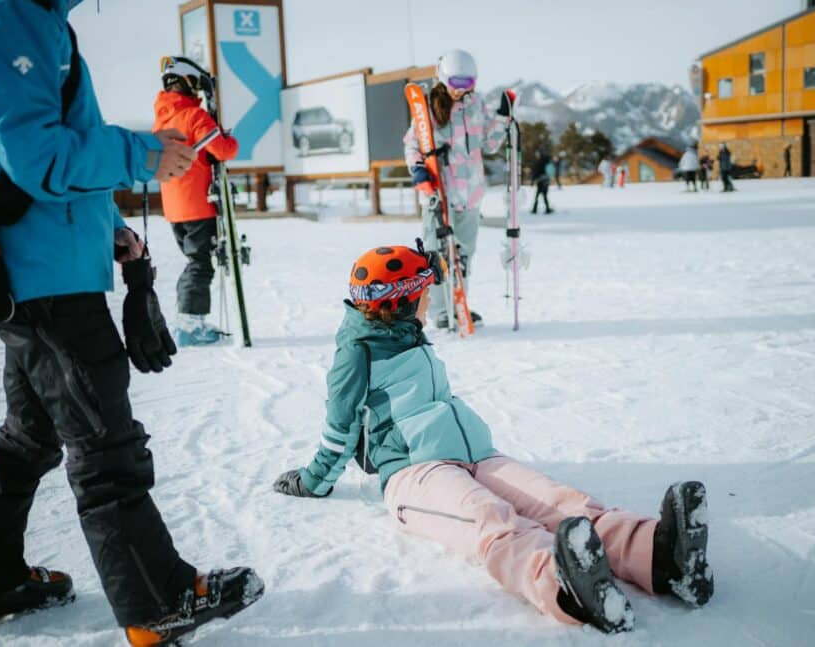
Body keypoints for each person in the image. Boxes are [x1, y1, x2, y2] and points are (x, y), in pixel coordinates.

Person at [0, 2, 262, 644]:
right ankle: (156, 603)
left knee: (30, 435)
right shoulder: (4, 18)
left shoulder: (23, 18)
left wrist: (110, 231)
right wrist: (141, 154)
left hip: (50, 265)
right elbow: (37, 157)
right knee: (104, 443)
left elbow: (27, 161)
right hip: (47, 279)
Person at [272, 243, 715, 635]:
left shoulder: (405, 332)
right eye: (425, 295)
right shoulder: (357, 352)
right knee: (488, 517)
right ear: (403, 303)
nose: (431, 302)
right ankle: (561, 583)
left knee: (561, 502)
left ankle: (660, 558)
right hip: (413, 473)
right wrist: (313, 481)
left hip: (475, 455)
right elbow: (340, 427)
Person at [404, 49, 510, 330]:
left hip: (470, 194)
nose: (460, 90)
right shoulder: (427, 107)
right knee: (436, 254)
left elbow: (489, 145)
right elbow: (412, 145)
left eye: (467, 84)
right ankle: (439, 310)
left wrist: (502, 119)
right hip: (438, 194)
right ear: (442, 78)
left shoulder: (476, 105)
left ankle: (458, 302)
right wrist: (418, 172)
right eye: (456, 83)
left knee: (463, 255)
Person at [154, 56, 239, 347]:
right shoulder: (193, 116)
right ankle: (190, 325)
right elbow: (224, 150)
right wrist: (230, 138)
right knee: (200, 264)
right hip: (198, 204)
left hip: (175, 207)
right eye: (197, 86)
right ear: (189, 82)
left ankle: (187, 319)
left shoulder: (163, 119)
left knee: (194, 262)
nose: (200, 93)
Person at [531, 148, 554, 214]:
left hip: (540, 181)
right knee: (544, 195)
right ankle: (547, 208)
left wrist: (532, 180)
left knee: (538, 195)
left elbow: (535, 172)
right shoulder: (547, 161)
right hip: (546, 180)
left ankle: (535, 209)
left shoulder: (539, 162)